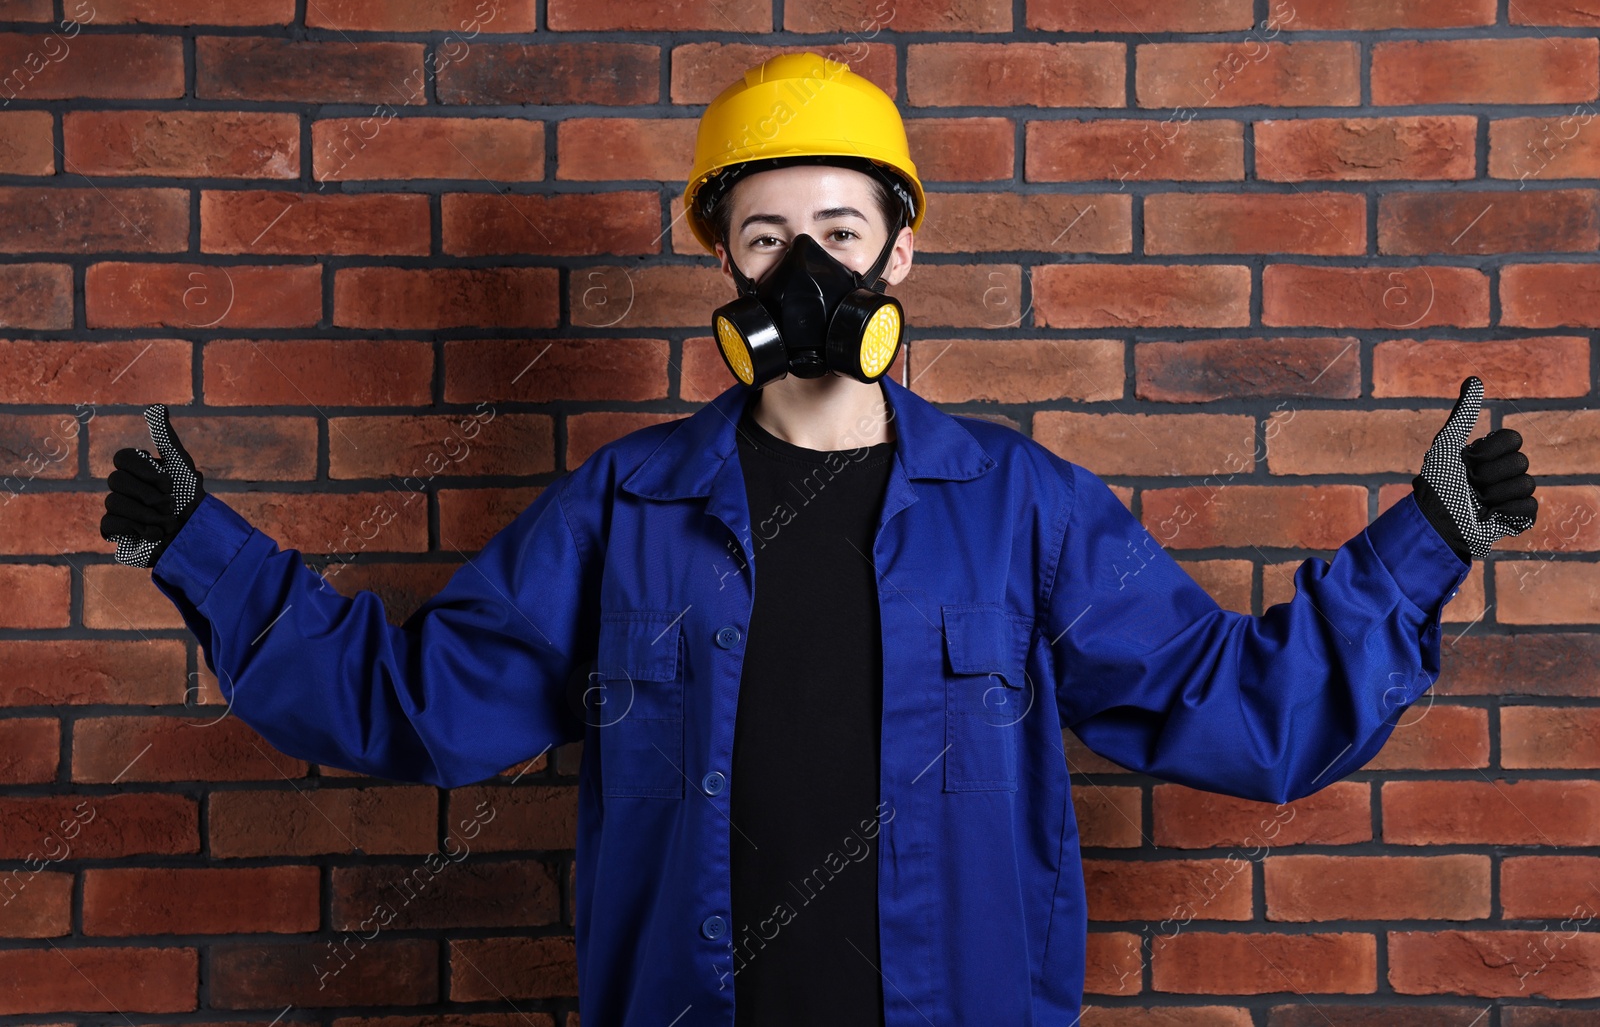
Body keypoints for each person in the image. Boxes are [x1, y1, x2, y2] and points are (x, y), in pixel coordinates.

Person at [100, 51, 1539, 1026]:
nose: (806, 270)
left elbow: (1229, 707)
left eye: (841, 234)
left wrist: (1424, 541)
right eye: (765, 235)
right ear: (724, 264)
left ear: (902, 255)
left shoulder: (1021, 506)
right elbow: (421, 704)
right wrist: (203, 548)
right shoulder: (626, 509)